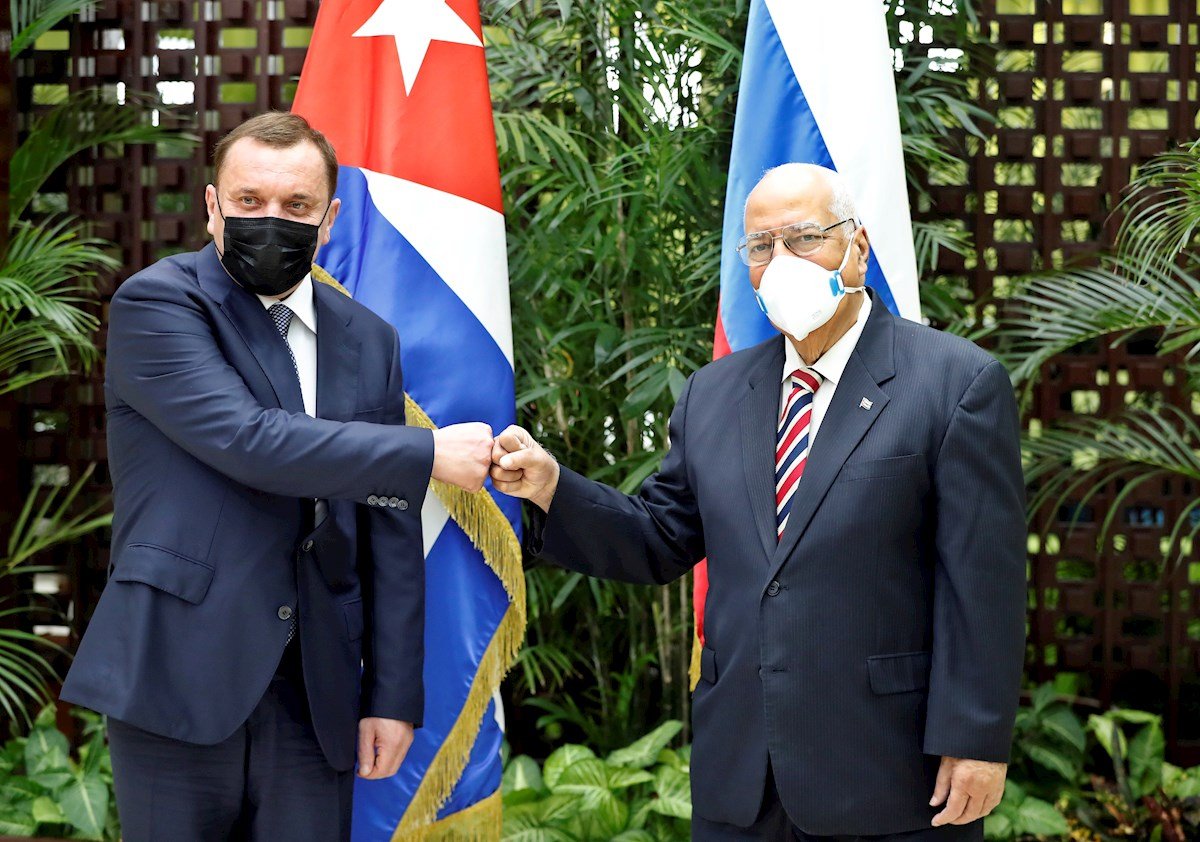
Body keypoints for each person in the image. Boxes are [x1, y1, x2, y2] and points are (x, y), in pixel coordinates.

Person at [490, 163, 1027, 841]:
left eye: (803, 238)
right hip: (740, 774)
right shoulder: (714, 393)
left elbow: (984, 585)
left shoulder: (955, 383)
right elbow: (660, 537)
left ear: (858, 247)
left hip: (889, 772)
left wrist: (977, 739)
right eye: (761, 247)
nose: (782, 261)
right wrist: (549, 488)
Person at [59, 112, 495, 842]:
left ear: (329, 219)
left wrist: (391, 693)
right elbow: (248, 439)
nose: (272, 220)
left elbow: (387, 527)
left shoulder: (369, 339)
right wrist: (425, 454)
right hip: (177, 670)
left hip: (315, 691)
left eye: (296, 208)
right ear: (212, 206)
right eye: (250, 202)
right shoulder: (160, 304)